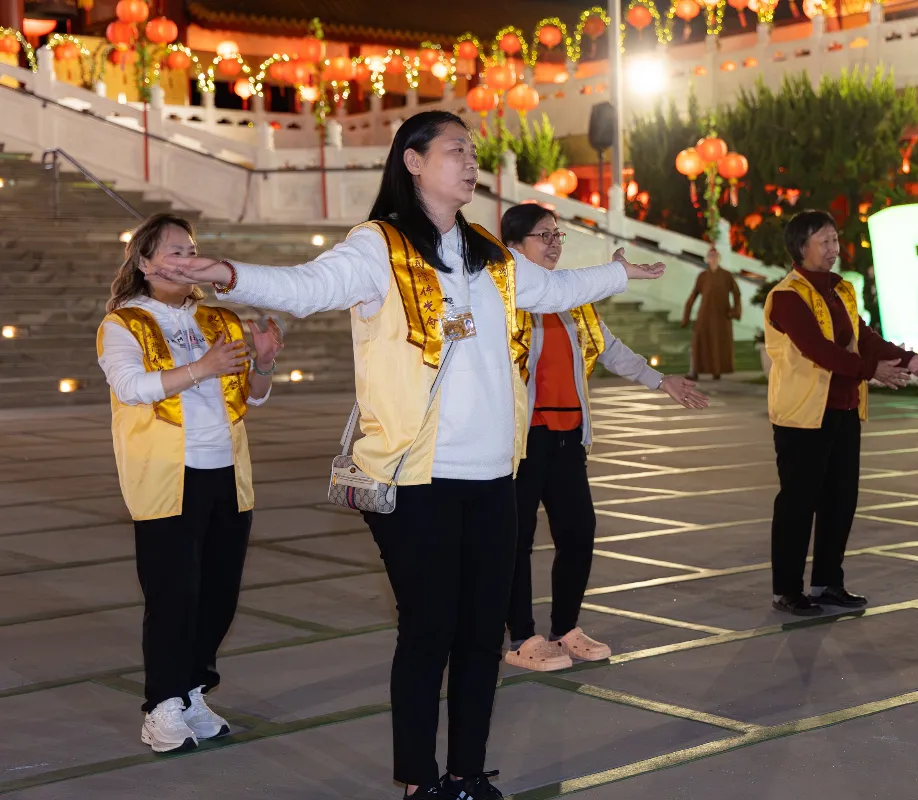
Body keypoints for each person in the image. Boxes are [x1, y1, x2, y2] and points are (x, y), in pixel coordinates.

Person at [158, 111, 665, 800]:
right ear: (414, 162)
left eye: (474, 150)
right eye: (456, 148)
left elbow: (555, 290)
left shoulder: (490, 254)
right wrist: (225, 272)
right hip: (415, 478)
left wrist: (613, 273)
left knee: (482, 635)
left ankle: (468, 774)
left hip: (493, 479)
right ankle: (419, 781)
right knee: (429, 631)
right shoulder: (379, 247)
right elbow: (306, 289)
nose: (471, 159)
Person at [97, 213, 283, 753]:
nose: (185, 260)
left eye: (190, 249)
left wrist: (263, 365)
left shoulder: (220, 318)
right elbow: (132, 387)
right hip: (166, 479)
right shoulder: (123, 323)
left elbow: (250, 398)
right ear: (144, 262)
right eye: (173, 251)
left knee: (219, 595)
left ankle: (193, 692)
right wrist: (202, 366)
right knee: (172, 595)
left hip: (227, 473)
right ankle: (161, 704)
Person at [499, 204, 709, 671]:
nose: (554, 243)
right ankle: (522, 638)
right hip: (520, 442)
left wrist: (662, 381)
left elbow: (610, 349)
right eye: (542, 235)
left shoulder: (573, 296)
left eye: (558, 235)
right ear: (513, 246)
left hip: (568, 437)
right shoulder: (504, 296)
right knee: (517, 541)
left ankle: (565, 629)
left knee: (578, 533)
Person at [764, 210, 918, 616]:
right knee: (798, 503)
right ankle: (787, 589)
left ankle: (827, 582)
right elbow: (817, 350)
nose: (833, 249)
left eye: (835, 240)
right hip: (802, 415)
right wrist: (871, 371)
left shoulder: (840, 290)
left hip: (843, 409)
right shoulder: (788, 296)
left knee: (840, 501)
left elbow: (864, 338)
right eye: (823, 241)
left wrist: (907, 360)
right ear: (800, 247)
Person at [682, 246, 741, 380]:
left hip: (721, 316)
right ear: (707, 259)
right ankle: (694, 371)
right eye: (710, 256)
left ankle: (717, 371)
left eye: (715, 256)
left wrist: (734, 311)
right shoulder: (703, 276)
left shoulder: (726, 275)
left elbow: (736, 293)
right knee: (699, 341)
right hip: (705, 315)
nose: (713, 259)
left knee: (717, 343)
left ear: (718, 258)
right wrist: (686, 315)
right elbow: (693, 296)